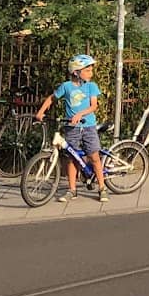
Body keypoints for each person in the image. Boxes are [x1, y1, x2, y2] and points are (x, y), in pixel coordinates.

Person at [34, 54, 108, 202]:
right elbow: (52, 98)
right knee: (72, 158)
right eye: (87, 70)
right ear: (76, 72)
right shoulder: (66, 86)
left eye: (91, 70)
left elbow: (94, 106)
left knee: (94, 157)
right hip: (71, 128)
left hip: (88, 126)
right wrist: (41, 112)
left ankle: (102, 188)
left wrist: (80, 114)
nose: (91, 73)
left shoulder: (91, 86)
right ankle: (72, 190)